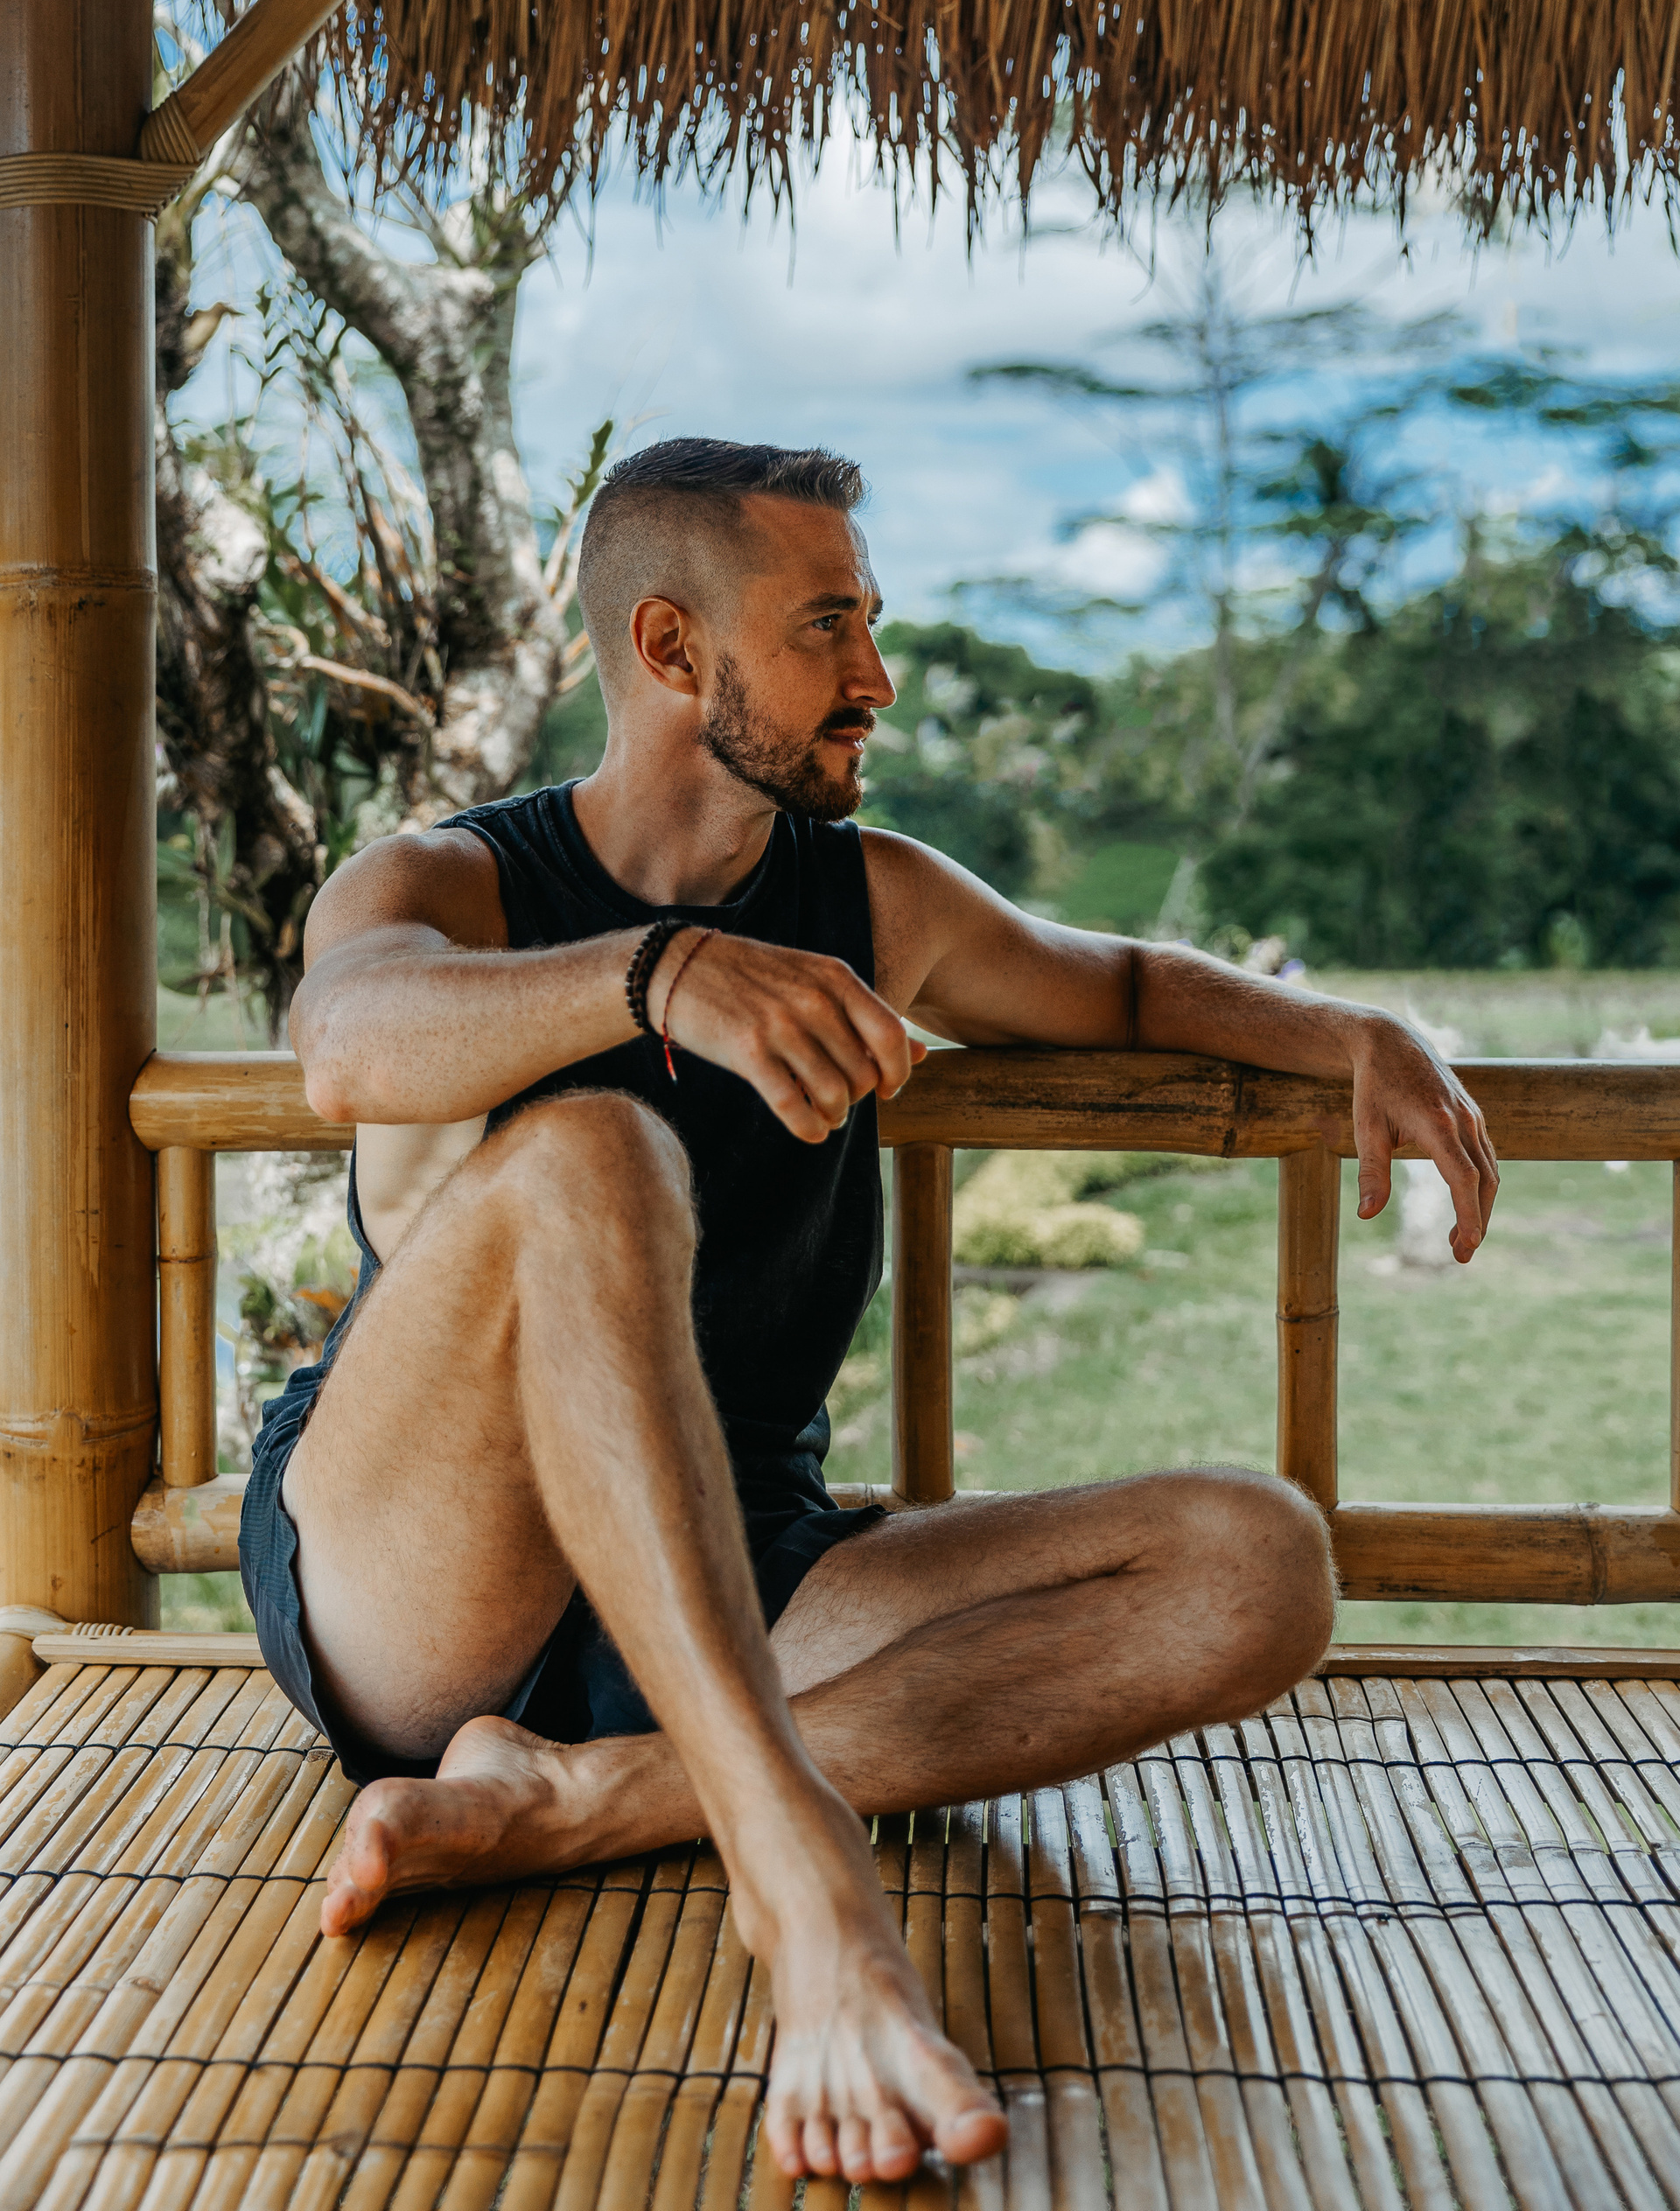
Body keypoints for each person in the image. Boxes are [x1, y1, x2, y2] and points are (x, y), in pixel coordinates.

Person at [248, 438, 1499, 2188]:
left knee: (1261, 1562)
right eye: (827, 626)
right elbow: (343, 1041)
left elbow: (1123, 980)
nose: (878, 678)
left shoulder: (872, 900)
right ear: (672, 649)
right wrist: (659, 975)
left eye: (873, 622)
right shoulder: (445, 884)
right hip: (434, 1572)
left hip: (741, 1550)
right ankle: (804, 1887)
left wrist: (1353, 1031)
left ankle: (595, 1798)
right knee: (592, 1153)